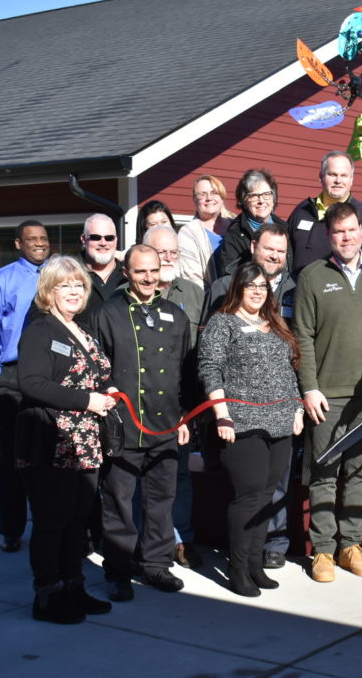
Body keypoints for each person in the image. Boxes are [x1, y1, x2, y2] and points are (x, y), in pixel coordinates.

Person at [294, 202, 362, 582]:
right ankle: (322, 550)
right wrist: (309, 388)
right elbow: (301, 336)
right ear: (328, 236)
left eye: (352, 230)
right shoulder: (312, 276)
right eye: (339, 232)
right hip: (327, 394)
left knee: (359, 472)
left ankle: (350, 545)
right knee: (322, 471)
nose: (347, 237)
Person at [15, 255, 116, 623]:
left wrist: (108, 388)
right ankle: (48, 595)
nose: (74, 292)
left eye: (79, 285)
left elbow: (95, 377)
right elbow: (33, 383)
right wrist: (88, 399)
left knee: (78, 520)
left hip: (84, 441)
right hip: (50, 439)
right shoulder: (41, 330)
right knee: (52, 521)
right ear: (48, 291)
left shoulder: (82, 330)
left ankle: (74, 586)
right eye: (65, 285)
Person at [90, 245, 192, 602]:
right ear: (126, 273)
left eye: (153, 271)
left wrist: (184, 415)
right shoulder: (108, 313)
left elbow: (185, 372)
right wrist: (108, 392)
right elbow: (97, 367)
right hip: (124, 424)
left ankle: (156, 564)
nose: (148, 278)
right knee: (118, 501)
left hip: (165, 423)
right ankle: (118, 570)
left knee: (161, 500)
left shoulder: (175, 316)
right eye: (140, 272)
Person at [199, 262, 304, 597]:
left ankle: (256, 563)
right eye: (251, 285)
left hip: (281, 422)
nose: (258, 291)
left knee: (268, 496)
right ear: (237, 289)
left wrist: (298, 407)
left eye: (263, 286)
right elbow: (210, 369)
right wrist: (222, 414)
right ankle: (238, 567)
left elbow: (290, 371)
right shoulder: (222, 323)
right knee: (248, 497)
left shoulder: (275, 324)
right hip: (242, 422)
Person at [0, 219, 51, 552]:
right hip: (12, 376)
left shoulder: (58, 276)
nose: (39, 244)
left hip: (51, 376)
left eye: (44, 239)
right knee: (13, 457)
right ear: (18, 244)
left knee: (52, 454)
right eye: (31, 239)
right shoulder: (0, 280)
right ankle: (12, 529)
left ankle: (52, 526)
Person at [143, 224, 204, 570]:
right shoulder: (126, 294)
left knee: (178, 474)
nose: (167, 258)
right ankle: (148, 539)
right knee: (142, 476)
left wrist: (191, 407)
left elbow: (199, 351)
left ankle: (182, 540)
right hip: (140, 404)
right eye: (160, 252)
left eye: (172, 253)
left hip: (179, 401)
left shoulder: (193, 293)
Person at [288, 151, 362, 273]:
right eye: (332, 174)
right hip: (300, 289)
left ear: (351, 180)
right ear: (321, 176)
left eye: (344, 175)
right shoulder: (302, 210)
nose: (338, 180)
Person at [219, 169, 292, 273]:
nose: (261, 201)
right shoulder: (235, 233)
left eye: (266, 194)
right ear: (244, 200)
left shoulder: (285, 228)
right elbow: (229, 276)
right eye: (254, 196)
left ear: (273, 198)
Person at [178, 174, 236, 288]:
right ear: (195, 200)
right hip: (208, 300)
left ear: (222, 196)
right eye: (202, 194)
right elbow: (192, 278)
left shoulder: (236, 226)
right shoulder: (188, 233)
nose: (209, 198)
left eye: (214, 192)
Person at [77, 214, 125, 323]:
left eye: (109, 238)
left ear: (116, 240)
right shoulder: (67, 272)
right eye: (96, 237)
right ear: (84, 239)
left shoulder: (130, 274)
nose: (103, 243)